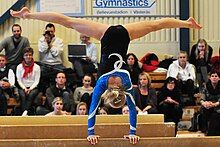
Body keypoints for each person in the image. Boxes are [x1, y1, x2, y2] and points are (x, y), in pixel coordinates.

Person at [10, 7, 202, 145]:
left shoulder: (126, 84)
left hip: (124, 35)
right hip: (105, 35)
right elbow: (92, 110)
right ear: (108, 96)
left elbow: (132, 110)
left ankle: (186, 23)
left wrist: (133, 131)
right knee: (66, 22)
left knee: (155, 25)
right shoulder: (102, 84)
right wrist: (91, 133)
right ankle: (29, 14)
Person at [16, 47, 40, 115]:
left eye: (30, 55)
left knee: (31, 95)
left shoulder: (37, 67)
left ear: (32, 56)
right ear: (23, 56)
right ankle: (25, 113)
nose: (28, 57)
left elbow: (36, 81)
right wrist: (24, 88)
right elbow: (19, 80)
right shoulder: (19, 67)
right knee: (22, 96)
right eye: (26, 55)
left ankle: (25, 113)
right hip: (22, 86)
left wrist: (30, 89)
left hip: (33, 87)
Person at [199, 70, 220, 135]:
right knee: (204, 110)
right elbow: (202, 99)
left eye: (216, 76)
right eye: (212, 76)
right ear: (210, 78)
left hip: (218, 106)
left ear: (219, 78)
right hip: (208, 105)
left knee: (215, 114)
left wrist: (214, 104)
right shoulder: (205, 86)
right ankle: (205, 130)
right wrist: (204, 103)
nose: (214, 77)